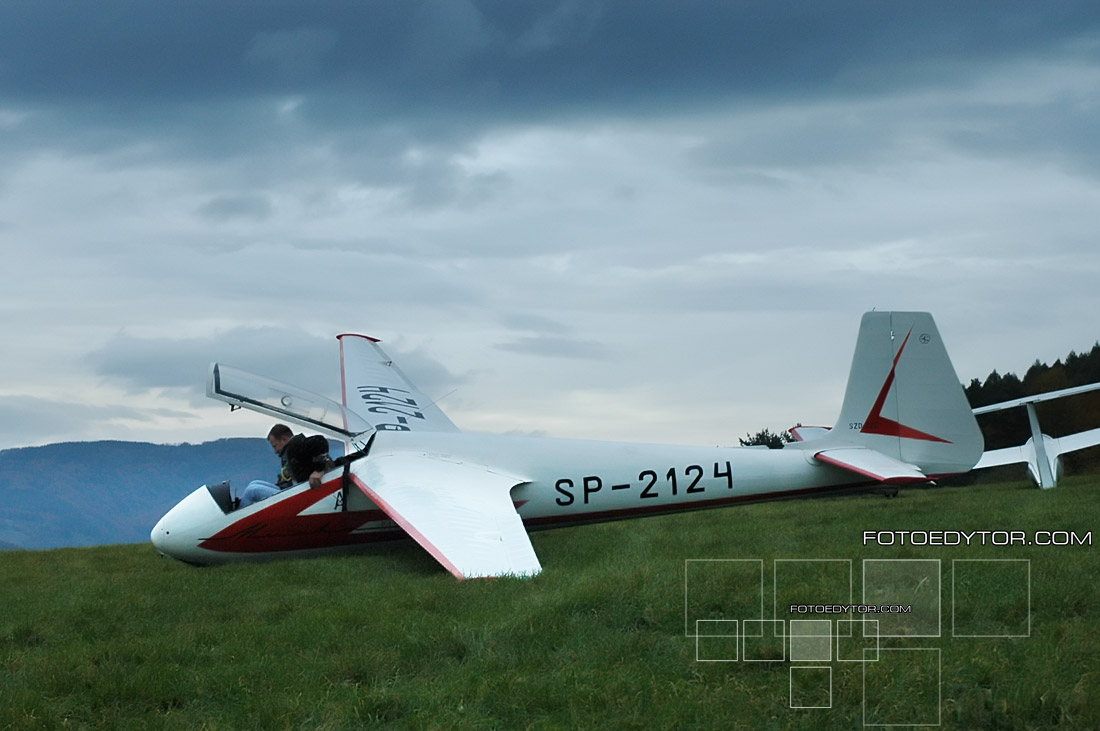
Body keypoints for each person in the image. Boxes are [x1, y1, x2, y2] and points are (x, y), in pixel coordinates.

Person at [238, 424, 335, 507]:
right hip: (295, 490)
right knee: (254, 483)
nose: (275, 451)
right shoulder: (290, 452)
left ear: (284, 439)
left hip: (302, 497)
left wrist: (318, 471)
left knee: (252, 491)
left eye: (275, 446)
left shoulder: (296, 446)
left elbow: (320, 441)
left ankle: (237, 522)